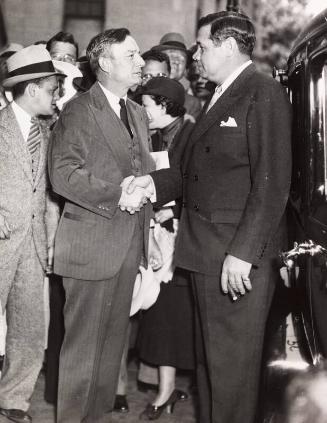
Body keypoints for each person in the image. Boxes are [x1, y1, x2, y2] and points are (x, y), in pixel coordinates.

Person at [124, 11, 292, 423]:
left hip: (233, 259)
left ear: (230, 47)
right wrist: (152, 184)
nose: (196, 54)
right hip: (205, 254)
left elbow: (272, 183)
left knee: (231, 374)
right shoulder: (223, 92)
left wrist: (244, 252)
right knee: (211, 368)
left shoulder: (262, 92)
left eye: (204, 46)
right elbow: (195, 172)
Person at [48, 28, 155, 423]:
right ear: (105, 64)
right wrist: (116, 194)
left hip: (127, 246)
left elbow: (139, 171)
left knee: (111, 355)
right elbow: (62, 173)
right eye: (131, 55)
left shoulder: (138, 113)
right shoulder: (79, 109)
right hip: (92, 246)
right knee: (82, 354)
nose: (140, 62)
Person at [0, 44, 63, 423]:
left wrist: (52, 241)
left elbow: (49, 196)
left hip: (34, 245)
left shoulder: (48, 134)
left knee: (28, 329)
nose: (57, 97)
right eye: (53, 89)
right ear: (34, 89)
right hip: (2, 238)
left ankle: (13, 401)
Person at [137, 76, 195, 420]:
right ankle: (167, 388)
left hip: (184, 239)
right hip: (161, 238)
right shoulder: (158, 136)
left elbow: (201, 185)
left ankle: (168, 390)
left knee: (171, 318)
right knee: (163, 317)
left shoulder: (191, 135)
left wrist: (173, 208)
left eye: (146, 106)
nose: (143, 112)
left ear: (164, 105)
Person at [152, 32, 202, 119]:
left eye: (181, 58)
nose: (176, 62)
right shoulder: (145, 94)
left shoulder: (192, 103)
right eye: (170, 56)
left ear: (185, 69)